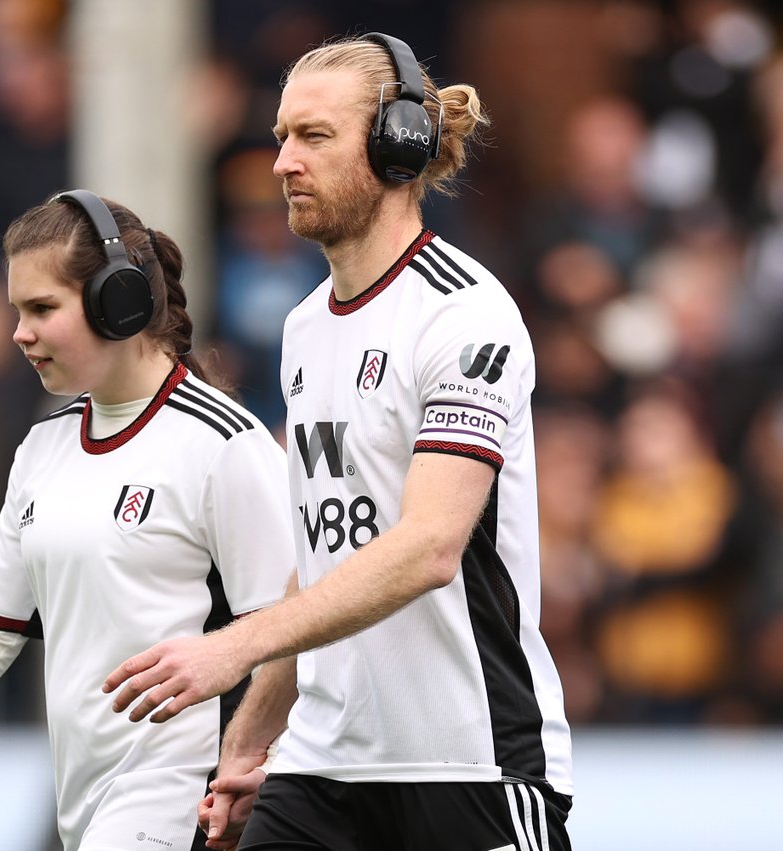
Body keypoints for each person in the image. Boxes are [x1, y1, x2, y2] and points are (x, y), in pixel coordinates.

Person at [103, 33, 574, 851]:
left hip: (469, 766)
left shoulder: (464, 314)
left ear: (399, 147)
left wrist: (231, 648)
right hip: (320, 768)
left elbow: (428, 545)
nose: (282, 161)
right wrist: (252, 736)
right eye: (282, 135)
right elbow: (320, 554)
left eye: (313, 137)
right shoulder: (304, 327)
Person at [0, 190, 294, 851]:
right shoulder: (44, 446)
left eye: (42, 308)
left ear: (119, 301)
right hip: (84, 804)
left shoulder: (222, 443)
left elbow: (292, 632)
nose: (19, 331)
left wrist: (262, 765)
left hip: (188, 802)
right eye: (17, 311)